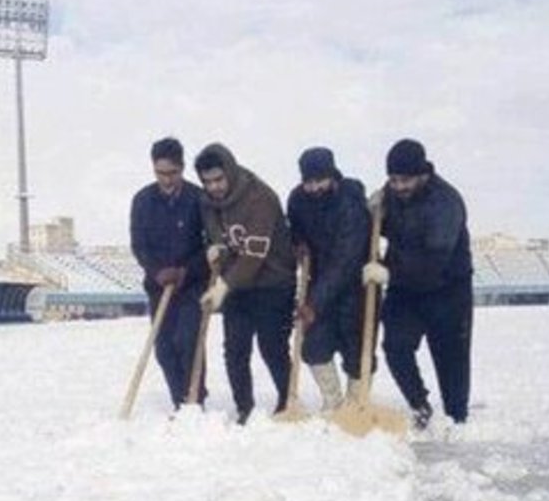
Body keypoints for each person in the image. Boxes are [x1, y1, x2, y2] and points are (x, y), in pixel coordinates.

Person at [363, 139, 473, 428]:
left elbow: (433, 261)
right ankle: (419, 405)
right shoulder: (393, 193)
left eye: (405, 180)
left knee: (450, 357)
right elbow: (391, 225)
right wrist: (374, 213)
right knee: (396, 347)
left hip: (447, 288)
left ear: (423, 174)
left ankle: (456, 418)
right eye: (393, 179)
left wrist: (387, 274)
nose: (398, 186)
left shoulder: (445, 204)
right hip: (406, 291)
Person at [194, 143, 296, 424]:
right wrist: (217, 249)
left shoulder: (259, 198)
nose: (213, 187)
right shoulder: (207, 202)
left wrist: (223, 286)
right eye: (207, 181)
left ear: (230, 170)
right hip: (238, 283)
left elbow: (254, 255)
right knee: (235, 349)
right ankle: (244, 407)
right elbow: (220, 237)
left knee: (272, 346)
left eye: (218, 179)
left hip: (273, 281)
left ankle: (288, 400)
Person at [286, 147, 372, 411]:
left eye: (319, 181)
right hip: (319, 279)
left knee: (355, 347)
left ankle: (356, 404)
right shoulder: (298, 199)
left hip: (356, 283)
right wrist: (297, 242)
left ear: (332, 176)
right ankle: (333, 401)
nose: (313, 188)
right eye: (308, 182)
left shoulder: (351, 202)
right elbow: (294, 229)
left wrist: (314, 303)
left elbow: (345, 261)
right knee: (314, 345)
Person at [130, 137, 208, 409]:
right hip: (159, 285)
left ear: (182, 168)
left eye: (172, 173)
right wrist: (156, 271)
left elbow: (209, 245)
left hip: (192, 284)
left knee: (187, 340)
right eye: (161, 173)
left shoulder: (198, 198)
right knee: (163, 348)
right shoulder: (142, 200)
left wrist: (186, 271)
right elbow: (139, 245)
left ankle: (195, 398)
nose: (167, 180)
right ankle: (180, 400)